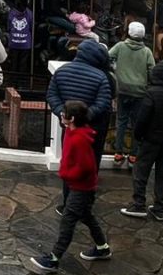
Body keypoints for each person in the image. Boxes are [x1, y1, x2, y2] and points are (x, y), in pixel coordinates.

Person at [30, 101, 112, 274]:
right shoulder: (71, 131)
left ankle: (53, 259)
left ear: (72, 118)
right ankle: (102, 247)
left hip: (81, 188)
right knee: (87, 216)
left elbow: (87, 166)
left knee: (68, 221)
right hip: (79, 186)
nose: (61, 114)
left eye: (64, 113)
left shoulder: (80, 139)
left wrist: (67, 175)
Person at [46, 39, 115, 215]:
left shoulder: (61, 72)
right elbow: (104, 104)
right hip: (93, 131)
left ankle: (67, 203)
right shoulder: (101, 77)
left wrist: (66, 116)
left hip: (69, 130)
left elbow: (52, 95)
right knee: (91, 166)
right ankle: (85, 203)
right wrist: (84, 118)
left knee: (69, 163)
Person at [121, 61, 163, 221]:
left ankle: (139, 204)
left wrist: (139, 136)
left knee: (140, 172)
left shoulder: (151, 93)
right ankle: (159, 208)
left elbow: (142, 118)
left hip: (150, 140)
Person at [109, 22, 156, 167]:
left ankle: (118, 154)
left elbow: (107, 57)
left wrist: (115, 71)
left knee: (121, 121)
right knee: (136, 123)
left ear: (129, 32)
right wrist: (149, 83)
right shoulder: (147, 51)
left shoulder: (120, 46)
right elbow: (152, 70)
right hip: (140, 92)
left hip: (122, 90)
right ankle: (134, 156)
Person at [8, 0, 33, 73]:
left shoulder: (11, 13)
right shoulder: (29, 13)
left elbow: (8, 27)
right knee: (23, 64)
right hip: (25, 43)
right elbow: (31, 27)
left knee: (13, 63)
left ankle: (12, 82)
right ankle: (22, 83)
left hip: (13, 42)